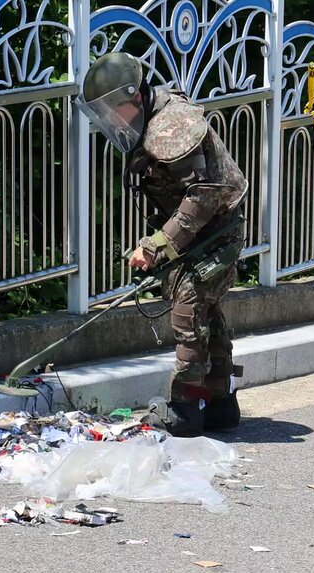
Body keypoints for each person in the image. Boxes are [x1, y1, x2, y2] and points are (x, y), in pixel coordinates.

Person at [77, 52, 248, 438]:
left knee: (188, 310)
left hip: (217, 230)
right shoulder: (148, 119)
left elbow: (203, 196)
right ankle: (220, 402)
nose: (112, 119)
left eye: (114, 108)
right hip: (201, 230)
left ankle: (186, 408)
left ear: (134, 97)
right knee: (205, 310)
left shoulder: (171, 125)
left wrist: (157, 245)